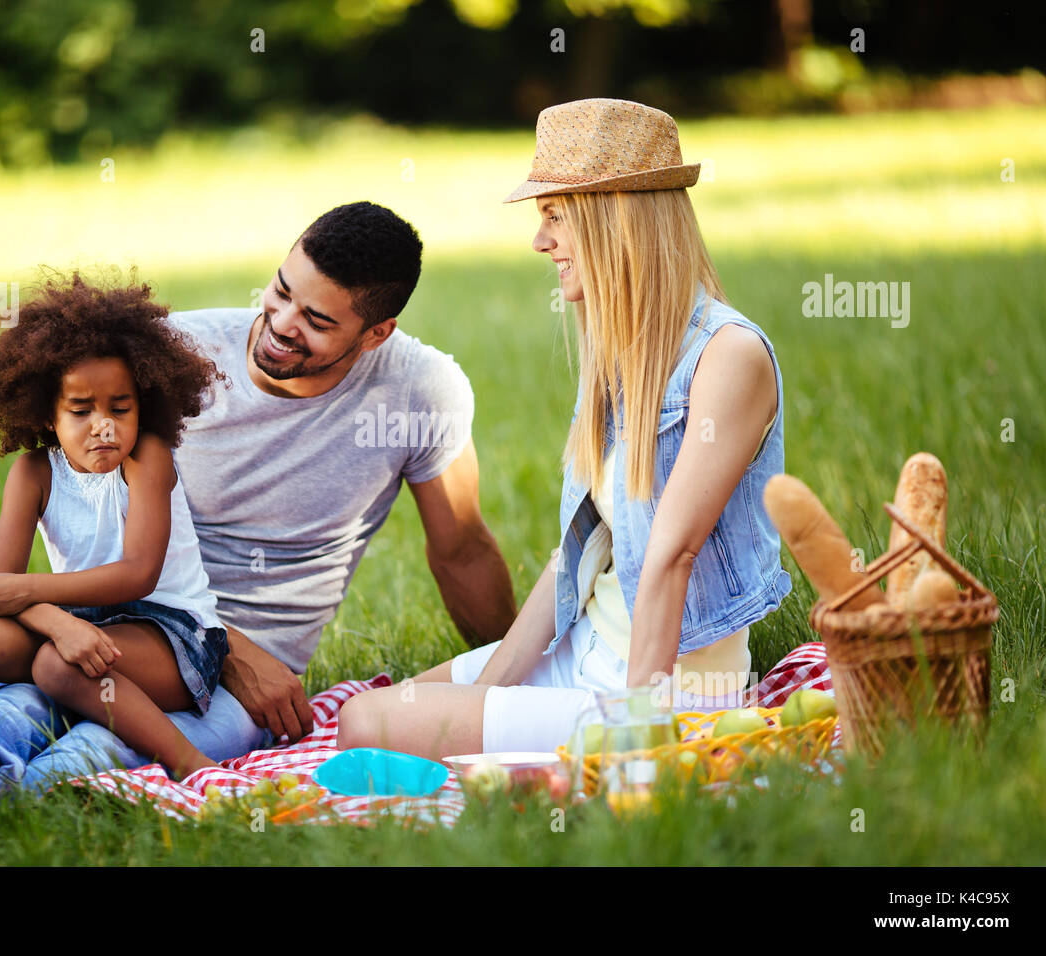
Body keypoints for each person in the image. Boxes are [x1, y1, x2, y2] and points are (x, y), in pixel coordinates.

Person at [0, 202, 517, 813]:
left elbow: (460, 547)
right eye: (282, 292)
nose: (283, 325)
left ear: (376, 333)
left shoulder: (418, 392)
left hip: (244, 683)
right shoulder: (173, 358)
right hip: (111, 630)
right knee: (35, 694)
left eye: (316, 320)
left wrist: (517, 679)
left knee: (109, 746)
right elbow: (67, 458)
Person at [337, 99, 793, 759]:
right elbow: (575, 555)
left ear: (615, 217)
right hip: (583, 651)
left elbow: (672, 555)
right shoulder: (623, 351)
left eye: (555, 215)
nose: (540, 240)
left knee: (364, 729)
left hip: (662, 690)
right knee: (373, 718)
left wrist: (643, 734)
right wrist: (484, 699)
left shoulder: (729, 356)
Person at [0, 272, 232, 813]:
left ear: (141, 405)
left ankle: (192, 764)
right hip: (81, 625)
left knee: (57, 668)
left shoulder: (147, 458)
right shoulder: (33, 472)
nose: (103, 426)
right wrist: (57, 618)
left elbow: (138, 574)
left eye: (119, 408)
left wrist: (37, 599)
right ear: (46, 416)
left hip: (174, 635)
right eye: (81, 411)